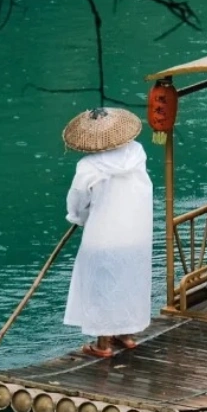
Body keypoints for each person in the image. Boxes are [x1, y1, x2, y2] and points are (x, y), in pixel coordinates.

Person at [61, 107, 154, 358]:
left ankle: (103, 345)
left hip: (104, 233)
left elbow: (78, 200)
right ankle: (127, 334)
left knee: (101, 284)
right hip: (136, 231)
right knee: (129, 279)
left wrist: (78, 218)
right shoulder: (137, 152)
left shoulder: (88, 166)